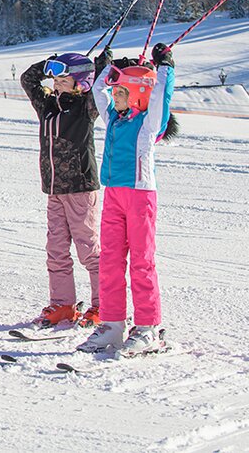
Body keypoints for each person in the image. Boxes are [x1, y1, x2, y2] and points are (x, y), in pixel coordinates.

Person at [78, 43, 175, 356]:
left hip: (140, 195)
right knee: (110, 260)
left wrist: (165, 67)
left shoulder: (147, 125)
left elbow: (161, 96)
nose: (114, 97)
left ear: (136, 94)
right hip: (114, 195)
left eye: (120, 93)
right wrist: (106, 67)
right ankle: (112, 324)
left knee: (142, 262)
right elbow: (97, 91)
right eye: (116, 93)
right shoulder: (115, 120)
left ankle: (148, 327)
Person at [20, 52, 101, 328]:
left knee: (89, 250)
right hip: (54, 190)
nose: (55, 83)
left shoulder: (86, 108)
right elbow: (28, 80)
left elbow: (102, 88)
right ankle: (63, 304)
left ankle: (104, 305)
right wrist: (48, 63)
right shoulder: (47, 106)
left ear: (80, 83)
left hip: (80, 188)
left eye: (63, 79)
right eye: (54, 77)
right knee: (55, 250)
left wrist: (99, 66)